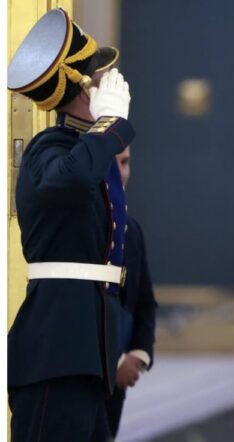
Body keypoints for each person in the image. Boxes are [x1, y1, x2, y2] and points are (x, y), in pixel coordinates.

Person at [7, 8, 134, 441]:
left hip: (86, 350)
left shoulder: (84, 151)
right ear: (82, 86)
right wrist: (108, 125)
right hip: (56, 352)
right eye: (99, 75)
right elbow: (72, 178)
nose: (109, 80)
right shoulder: (49, 150)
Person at [91, 146, 158, 441]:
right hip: (88, 375)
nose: (120, 173)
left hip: (118, 383)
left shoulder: (132, 230)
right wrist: (116, 362)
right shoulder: (84, 229)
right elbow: (81, 305)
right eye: (112, 163)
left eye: (126, 162)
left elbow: (145, 301)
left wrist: (138, 354)